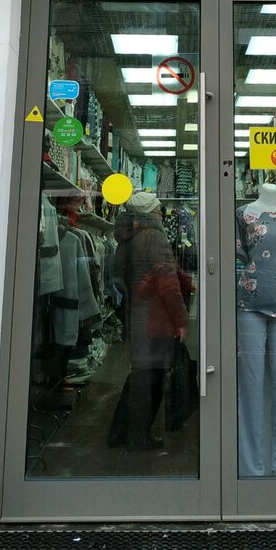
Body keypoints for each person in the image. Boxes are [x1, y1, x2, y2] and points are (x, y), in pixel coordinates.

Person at [108, 192, 188, 451]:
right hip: (155, 314)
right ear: (151, 212)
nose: (161, 214)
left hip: (136, 311)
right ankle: (138, 435)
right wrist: (180, 319)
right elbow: (168, 284)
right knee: (152, 376)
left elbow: (117, 274)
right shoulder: (154, 236)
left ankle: (120, 431)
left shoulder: (126, 237)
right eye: (158, 210)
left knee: (140, 372)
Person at [235, 182, 276, 477]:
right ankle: (250, 468)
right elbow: (239, 255)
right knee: (250, 384)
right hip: (250, 304)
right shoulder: (242, 214)